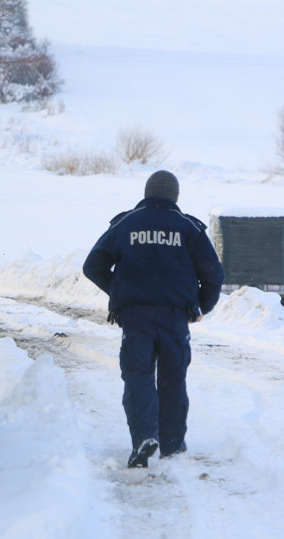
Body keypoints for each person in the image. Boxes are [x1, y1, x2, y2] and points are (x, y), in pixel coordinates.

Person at [82, 170, 224, 468]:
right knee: (173, 379)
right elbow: (214, 274)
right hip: (175, 317)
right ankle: (172, 444)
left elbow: (93, 266)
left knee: (138, 376)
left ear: (147, 192)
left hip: (135, 316)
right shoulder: (189, 228)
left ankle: (144, 437)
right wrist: (201, 306)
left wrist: (120, 292)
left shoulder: (125, 223)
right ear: (175, 196)